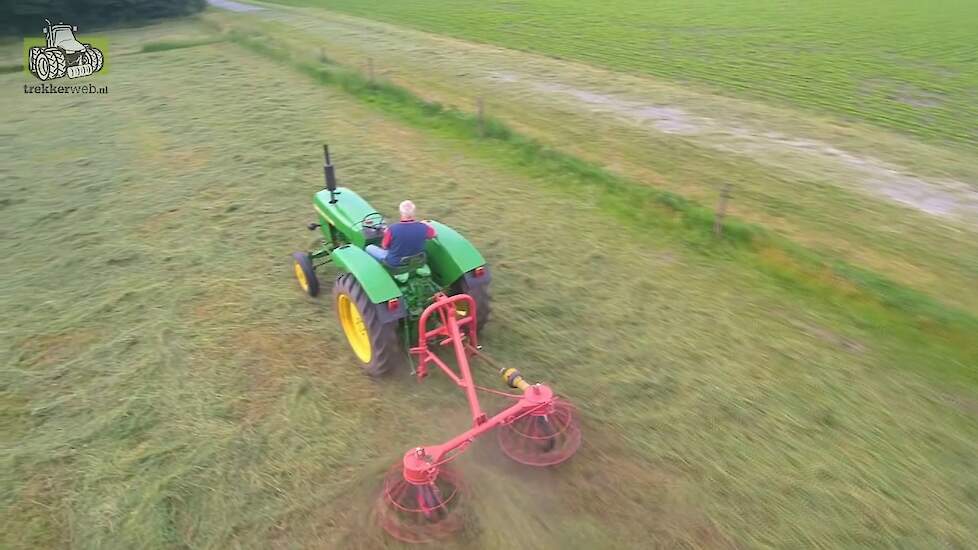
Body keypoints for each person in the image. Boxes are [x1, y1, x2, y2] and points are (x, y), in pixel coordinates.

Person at [365, 200, 436, 267]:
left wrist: (386, 234)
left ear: (401, 212)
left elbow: (385, 246)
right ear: (414, 212)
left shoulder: (392, 229)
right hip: (416, 260)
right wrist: (427, 224)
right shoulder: (424, 227)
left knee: (369, 247)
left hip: (395, 263)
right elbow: (433, 235)